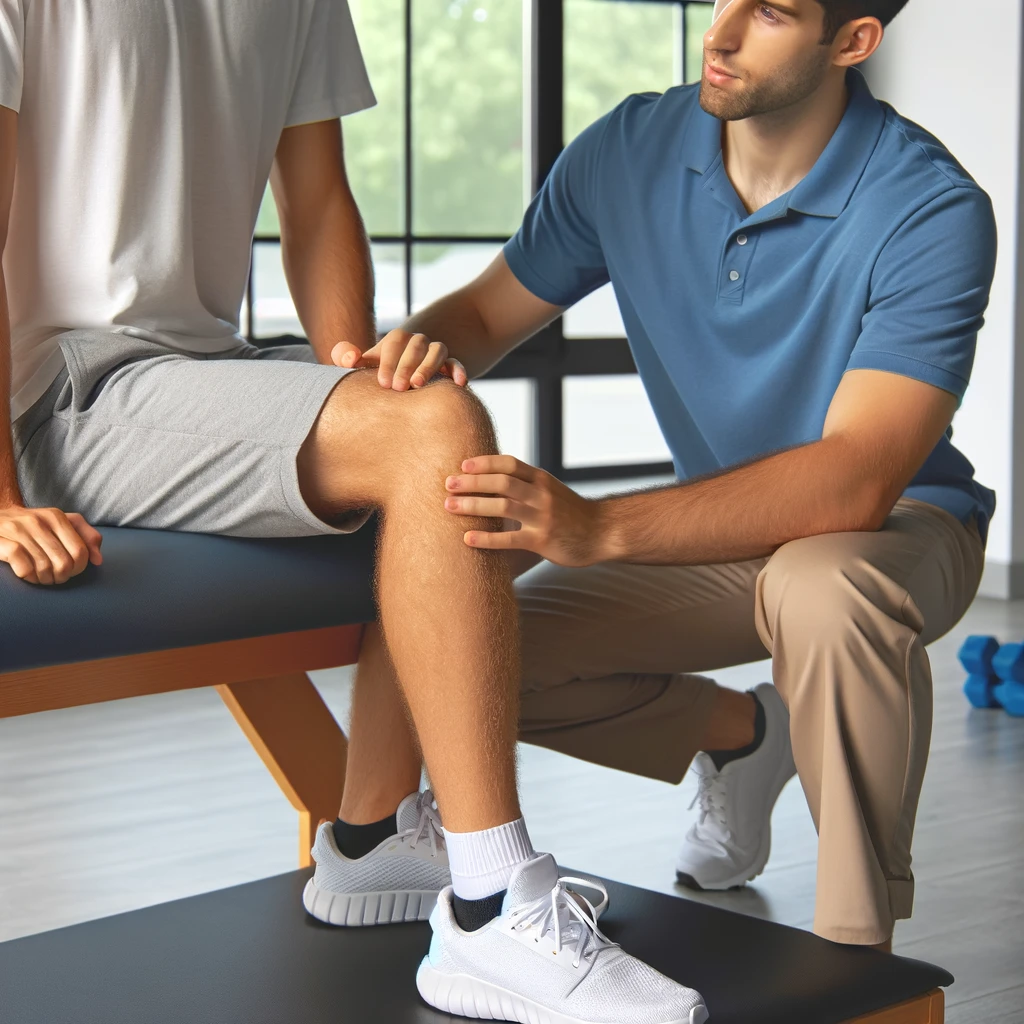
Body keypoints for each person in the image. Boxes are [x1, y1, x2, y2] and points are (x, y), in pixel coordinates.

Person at [0, 2, 709, 1022]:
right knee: (436, 438)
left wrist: (352, 372)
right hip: (63, 392)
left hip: (198, 366)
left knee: (444, 440)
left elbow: (320, 201)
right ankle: (486, 906)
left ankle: (373, 837)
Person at [328, 0, 997, 962]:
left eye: (769, 12)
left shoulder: (931, 208)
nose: (719, 34)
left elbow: (856, 478)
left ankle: (859, 961)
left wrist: (596, 526)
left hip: (900, 525)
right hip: (721, 540)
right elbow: (487, 308)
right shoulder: (632, 148)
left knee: (823, 587)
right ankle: (742, 734)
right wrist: (407, 364)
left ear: (851, 43)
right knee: (467, 659)